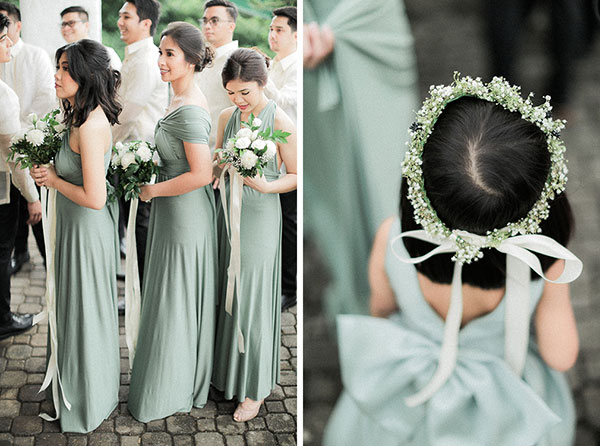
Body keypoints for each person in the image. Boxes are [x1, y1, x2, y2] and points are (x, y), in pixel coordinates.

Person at [323, 76, 582, 445]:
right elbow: (560, 355)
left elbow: (380, 308)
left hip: (409, 384)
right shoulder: (544, 263)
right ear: (542, 201)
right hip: (504, 400)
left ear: (418, 185)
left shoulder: (393, 238)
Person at [303, 0, 419, 317]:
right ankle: (368, 299)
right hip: (313, 28)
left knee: (399, 172)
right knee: (339, 185)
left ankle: (420, 299)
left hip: (374, 21)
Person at [127, 21, 217, 422]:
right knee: (166, 294)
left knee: (174, 299)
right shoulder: (176, 99)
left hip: (184, 217)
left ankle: (172, 383)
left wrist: (152, 191)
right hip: (171, 211)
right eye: (160, 53)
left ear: (192, 61)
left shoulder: (191, 109)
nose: (161, 61)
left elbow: (201, 174)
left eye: (169, 55)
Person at [30, 39, 121, 433]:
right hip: (72, 227)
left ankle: (87, 397)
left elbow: (96, 198)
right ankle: (75, 384)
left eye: (65, 68)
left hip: (86, 231)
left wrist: (52, 180)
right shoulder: (76, 116)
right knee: (72, 307)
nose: (56, 75)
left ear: (84, 76)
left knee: (84, 311)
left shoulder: (91, 126)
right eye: (58, 66)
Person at [212, 48, 297, 422]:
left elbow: (297, 175)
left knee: (253, 294)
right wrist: (220, 164)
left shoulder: (280, 120)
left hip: (260, 214)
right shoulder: (226, 117)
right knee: (226, 287)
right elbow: (217, 159)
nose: (238, 100)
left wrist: (265, 186)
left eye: (245, 92)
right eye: (232, 92)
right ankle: (228, 372)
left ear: (262, 83)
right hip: (225, 213)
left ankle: (255, 385)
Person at [113, 0, 167, 286]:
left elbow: (129, 114)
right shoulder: (134, 56)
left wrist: (100, 144)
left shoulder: (147, 60)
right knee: (133, 225)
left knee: (140, 225)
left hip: (141, 157)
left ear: (146, 23)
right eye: (120, 16)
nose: (120, 22)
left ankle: (145, 291)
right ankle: (136, 287)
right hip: (128, 154)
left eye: (126, 17)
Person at [0, 2, 55, 275]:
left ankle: (50, 261)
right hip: (5, 148)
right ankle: (18, 254)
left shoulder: (36, 55)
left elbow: (46, 99)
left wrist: (20, 131)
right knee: (11, 209)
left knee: (36, 206)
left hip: (29, 141)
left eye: (5, 21)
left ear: (18, 24)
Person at [0, 13, 41, 340]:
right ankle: (3, 318)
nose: (9, 43)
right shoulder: (3, 96)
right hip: (0, 183)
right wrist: (32, 197)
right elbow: (15, 158)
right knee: (2, 252)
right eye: (3, 39)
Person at [265, 6, 298, 311]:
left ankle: (291, 287)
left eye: (279, 30)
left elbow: (286, 102)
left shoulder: (296, 66)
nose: (272, 35)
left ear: (296, 35)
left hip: (293, 158)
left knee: (290, 222)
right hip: (272, 156)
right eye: (271, 29)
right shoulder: (274, 63)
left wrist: (262, 78)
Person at [195, 0, 239, 153]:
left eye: (214, 21)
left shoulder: (237, 62)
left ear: (231, 26)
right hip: (195, 151)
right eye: (205, 21)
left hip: (223, 156)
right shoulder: (199, 61)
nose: (207, 26)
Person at [59, 6, 122, 71]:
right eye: (63, 24)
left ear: (86, 25)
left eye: (71, 23)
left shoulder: (106, 53)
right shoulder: (59, 57)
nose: (66, 28)